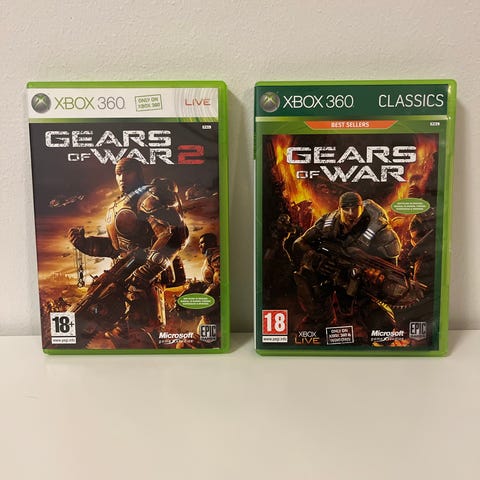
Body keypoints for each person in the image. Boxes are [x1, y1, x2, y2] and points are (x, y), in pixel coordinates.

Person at [68, 157, 189, 338]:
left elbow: (174, 234)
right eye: (118, 173)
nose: (122, 177)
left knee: (141, 334)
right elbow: (115, 248)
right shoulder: (117, 205)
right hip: (119, 278)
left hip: (142, 283)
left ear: (138, 173)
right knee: (114, 333)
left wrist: (146, 272)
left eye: (127, 172)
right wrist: (85, 244)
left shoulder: (148, 198)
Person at [292, 191, 401, 335]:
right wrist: (316, 259)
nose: (350, 213)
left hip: (362, 285)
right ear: (339, 209)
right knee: (305, 275)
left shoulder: (381, 232)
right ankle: (322, 317)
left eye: (355, 208)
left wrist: (378, 277)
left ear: (362, 208)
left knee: (383, 326)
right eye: (346, 209)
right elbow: (299, 244)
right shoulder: (328, 223)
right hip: (332, 275)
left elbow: (394, 272)